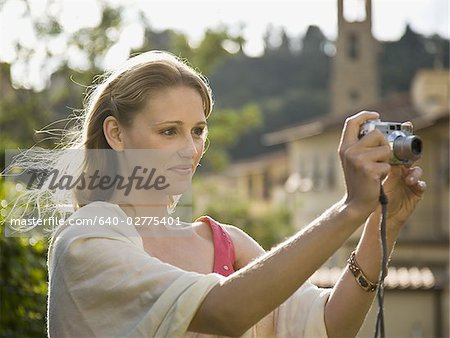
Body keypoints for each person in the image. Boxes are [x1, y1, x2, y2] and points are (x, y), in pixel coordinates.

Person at [43, 50, 426, 337]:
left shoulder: (226, 242)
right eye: (168, 131)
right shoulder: (87, 240)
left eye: (197, 131)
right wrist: (348, 210)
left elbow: (328, 325)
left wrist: (383, 223)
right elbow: (226, 311)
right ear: (116, 134)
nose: (191, 150)